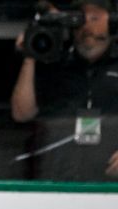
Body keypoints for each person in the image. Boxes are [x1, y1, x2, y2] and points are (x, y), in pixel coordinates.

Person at [11, 0, 118, 181]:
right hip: (59, 180)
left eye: (95, 18)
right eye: (80, 18)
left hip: (110, 185)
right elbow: (22, 113)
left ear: (111, 21)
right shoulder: (54, 64)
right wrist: (30, 54)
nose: (87, 25)